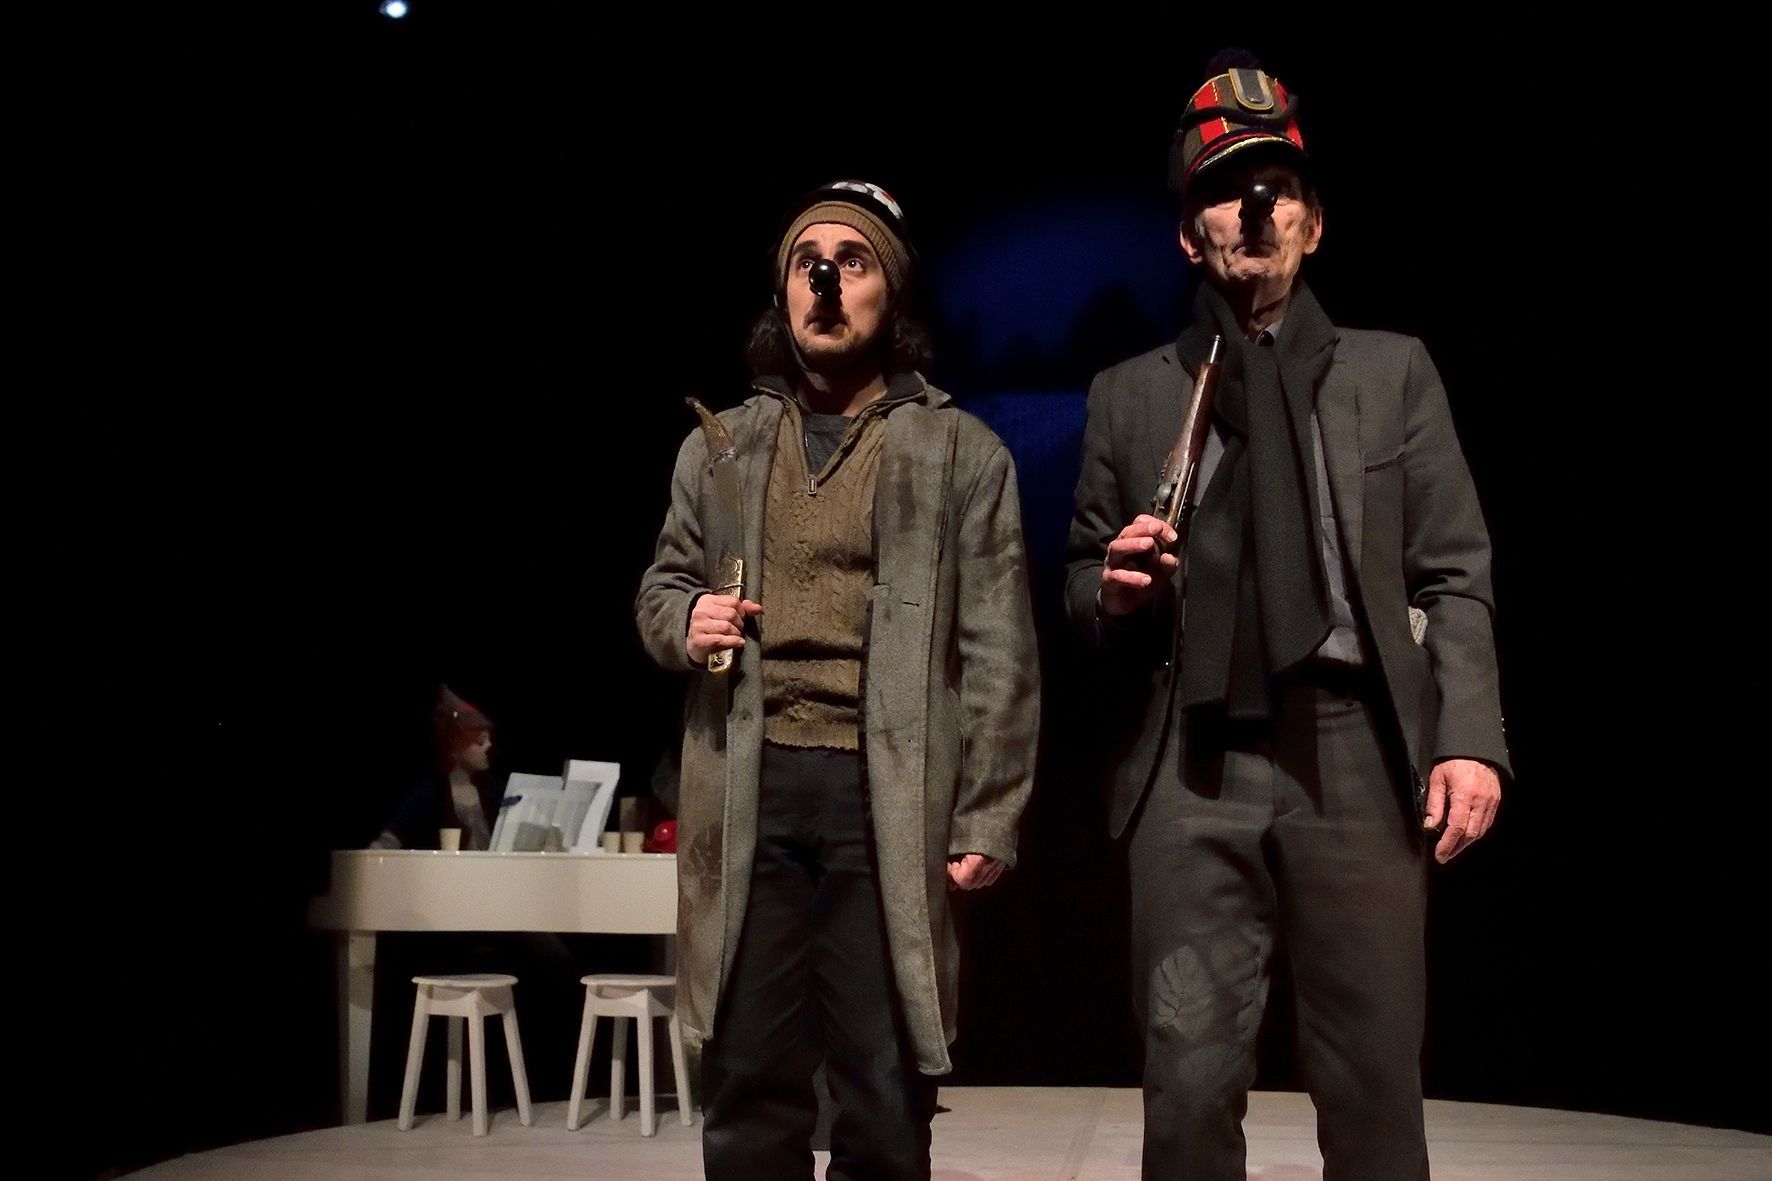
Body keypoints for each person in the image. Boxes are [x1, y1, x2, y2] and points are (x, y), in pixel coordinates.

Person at [1064, 54, 1511, 1180]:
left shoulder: (1391, 373)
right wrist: (1111, 589)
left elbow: (1453, 570)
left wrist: (1467, 735)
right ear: (1189, 235)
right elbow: (1079, 575)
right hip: (1193, 754)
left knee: (1373, 1087)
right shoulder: (1131, 393)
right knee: (1187, 1083)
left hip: (1355, 748)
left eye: (1276, 186)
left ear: (1313, 224)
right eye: (1225, 189)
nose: (1254, 205)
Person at [636, 180, 1038, 1180]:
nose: (825, 279)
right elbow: (661, 586)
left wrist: (989, 810)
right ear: (781, 291)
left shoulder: (958, 452)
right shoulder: (719, 449)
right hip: (751, 781)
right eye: (805, 262)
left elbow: (998, 645)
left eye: (851, 262)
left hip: (882, 791)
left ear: (888, 296)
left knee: (883, 1076)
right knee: (746, 1069)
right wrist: (685, 619)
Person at [371, 685, 502, 850]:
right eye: (480, 742)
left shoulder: (495, 790)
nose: (488, 746)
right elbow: (390, 839)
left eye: (488, 740)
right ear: (455, 750)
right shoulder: (429, 793)